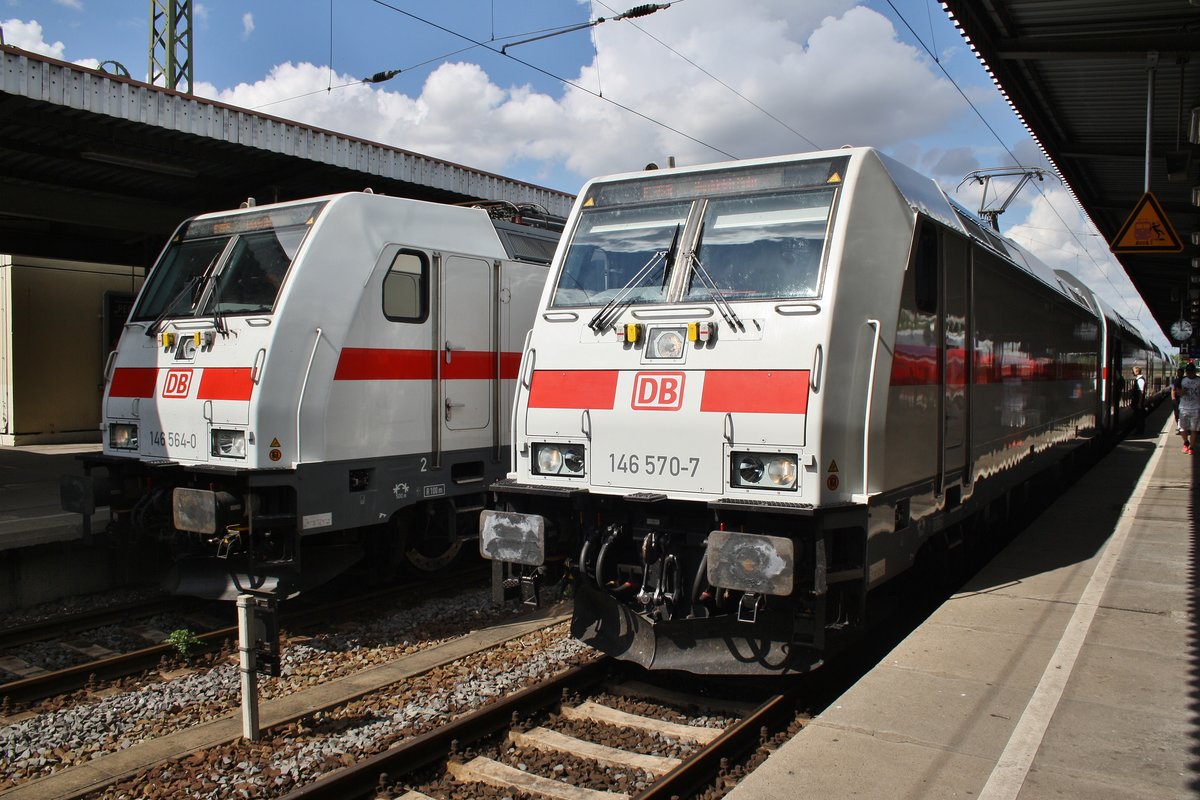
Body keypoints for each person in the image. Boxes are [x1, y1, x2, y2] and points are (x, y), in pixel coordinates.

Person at [1178, 363, 1200, 455]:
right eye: (1188, 372)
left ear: (1194, 372)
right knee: (1183, 429)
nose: (1190, 374)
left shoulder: (1199, 381)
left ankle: (1191, 447)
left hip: (1196, 408)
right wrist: (1182, 392)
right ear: (1186, 372)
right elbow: (1177, 392)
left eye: (1192, 372)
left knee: (1194, 429)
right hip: (1183, 408)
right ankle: (1186, 442)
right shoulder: (1182, 380)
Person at [1129, 366, 1147, 434]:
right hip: (1138, 402)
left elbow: (1141, 392)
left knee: (1139, 417)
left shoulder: (1140, 380)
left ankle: (1140, 431)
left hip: (1138, 402)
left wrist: (1139, 403)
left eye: (1133, 371)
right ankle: (1139, 430)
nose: (1132, 372)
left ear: (1136, 371)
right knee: (1138, 417)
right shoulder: (1138, 379)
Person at [1171, 367, 1185, 434]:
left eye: (1179, 372)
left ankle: (1181, 428)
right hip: (1177, 399)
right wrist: (1173, 398)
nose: (1178, 374)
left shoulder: (1185, 380)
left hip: (1183, 399)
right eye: (1178, 372)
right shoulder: (1175, 380)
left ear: (1183, 373)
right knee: (1177, 414)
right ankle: (1179, 427)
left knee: (1182, 414)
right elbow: (1173, 389)